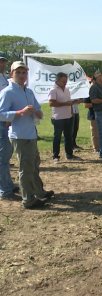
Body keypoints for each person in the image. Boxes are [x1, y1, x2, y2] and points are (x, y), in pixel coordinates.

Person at [0, 61, 53, 208]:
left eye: (24, 72)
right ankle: (28, 200)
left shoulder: (28, 91)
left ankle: (39, 192)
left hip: (31, 133)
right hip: (19, 135)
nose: (22, 75)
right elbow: (1, 114)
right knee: (26, 168)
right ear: (12, 74)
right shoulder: (7, 92)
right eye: (18, 72)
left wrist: (37, 112)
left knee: (34, 165)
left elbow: (39, 112)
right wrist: (19, 112)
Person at [48, 72, 79, 162]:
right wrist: (65, 104)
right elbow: (51, 103)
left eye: (66, 81)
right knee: (57, 137)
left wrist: (72, 112)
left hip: (68, 116)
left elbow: (69, 101)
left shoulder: (67, 89)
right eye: (63, 81)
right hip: (58, 118)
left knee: (68, 136)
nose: (65, 83)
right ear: (57, 80)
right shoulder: (53, 90)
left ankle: (69, 154)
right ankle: (55, 156)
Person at [0, 54, 19, 201]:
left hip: (7, 120)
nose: (3, 64)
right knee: (3, 157)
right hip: (2, 120)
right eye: (1, 61)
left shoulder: (4, 77)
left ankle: (7, 184)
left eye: (4, 61)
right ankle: (5, 190)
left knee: (6, 154)